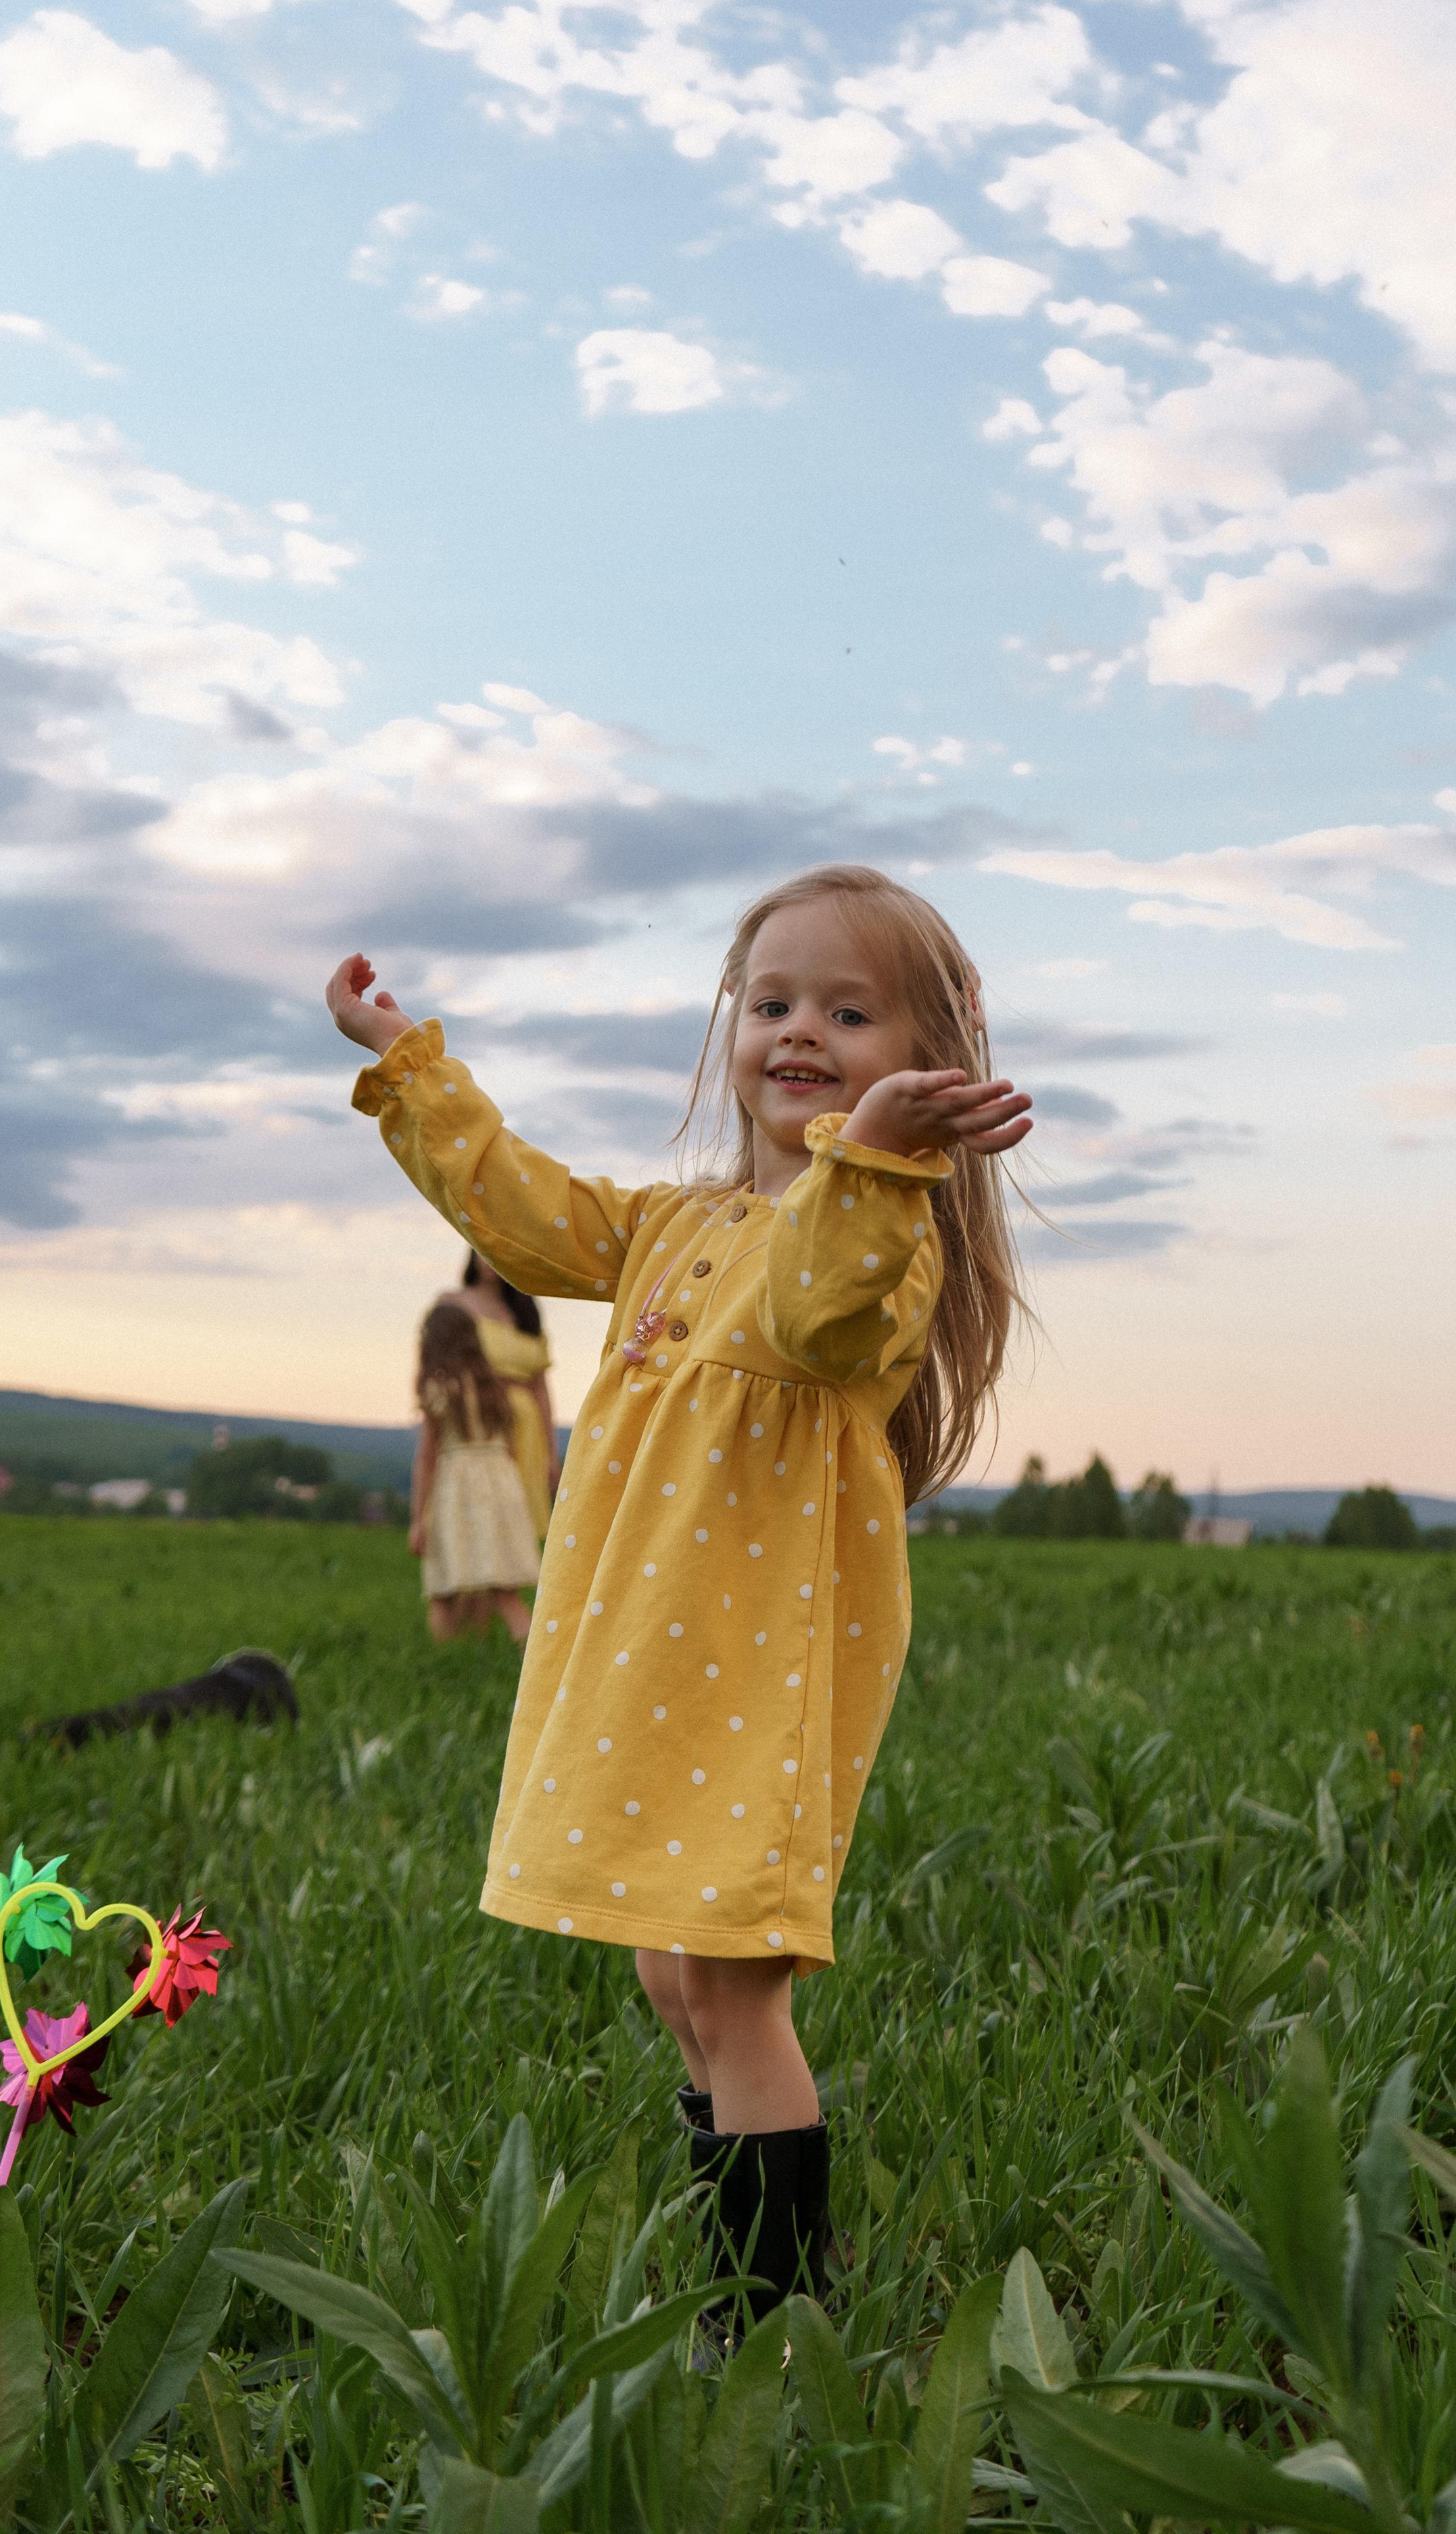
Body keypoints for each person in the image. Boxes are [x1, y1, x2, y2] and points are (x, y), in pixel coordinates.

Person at [326, 862, 1033, 2330]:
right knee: (670, 1974)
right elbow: (517, 1214)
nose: (797, 1030)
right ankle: (746, 2269)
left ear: (925, 1059)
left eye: (849, 1011)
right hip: (646, 1653)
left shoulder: (880, 1242)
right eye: (770, 1000)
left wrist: (884, 1161)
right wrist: (408, 1067)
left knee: (736, 1992)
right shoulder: (673, 1227)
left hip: (759, 1666)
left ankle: (771, 2324)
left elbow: (811, 1303)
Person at [410, 1300, 539, 1645]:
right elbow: (511, 1447)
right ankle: (530, 1658)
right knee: (504, 1591)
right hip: (501, 1480)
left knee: (444, 1587)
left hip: (457, 1484)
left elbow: (427, 1456)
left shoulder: (439, 1387)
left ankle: (444, 1664)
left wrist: (419, 1519)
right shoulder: (495, 1388)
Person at [433, 1252, 559, 1540]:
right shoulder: (454, 1303)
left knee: (519, 1518)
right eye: (483, 1249)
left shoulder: (526, 1312)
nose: (490, 1259)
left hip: (526, 1424)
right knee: (481, 1510)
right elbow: (440, 1365)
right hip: (479, 1414)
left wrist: (551, 1453)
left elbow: (540, 1386)